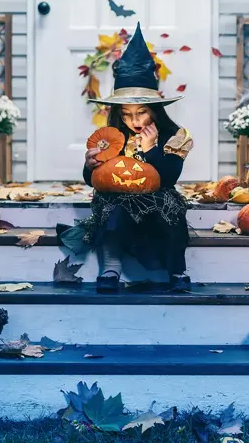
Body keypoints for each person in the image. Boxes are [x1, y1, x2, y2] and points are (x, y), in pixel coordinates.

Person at [58, 24, 193, 293]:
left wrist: (153, 148)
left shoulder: (172, 135)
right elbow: (98, 180)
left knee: (171, 213)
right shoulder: (111, 136)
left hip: (158, 195)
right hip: (118, 197)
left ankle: (177, 269)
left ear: (155, 111)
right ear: (118, 114)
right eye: (127, 114)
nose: (135, 121)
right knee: (112, 208)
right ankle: (111, 267)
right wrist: (89, 167)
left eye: (142, 113)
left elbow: (168, 177)